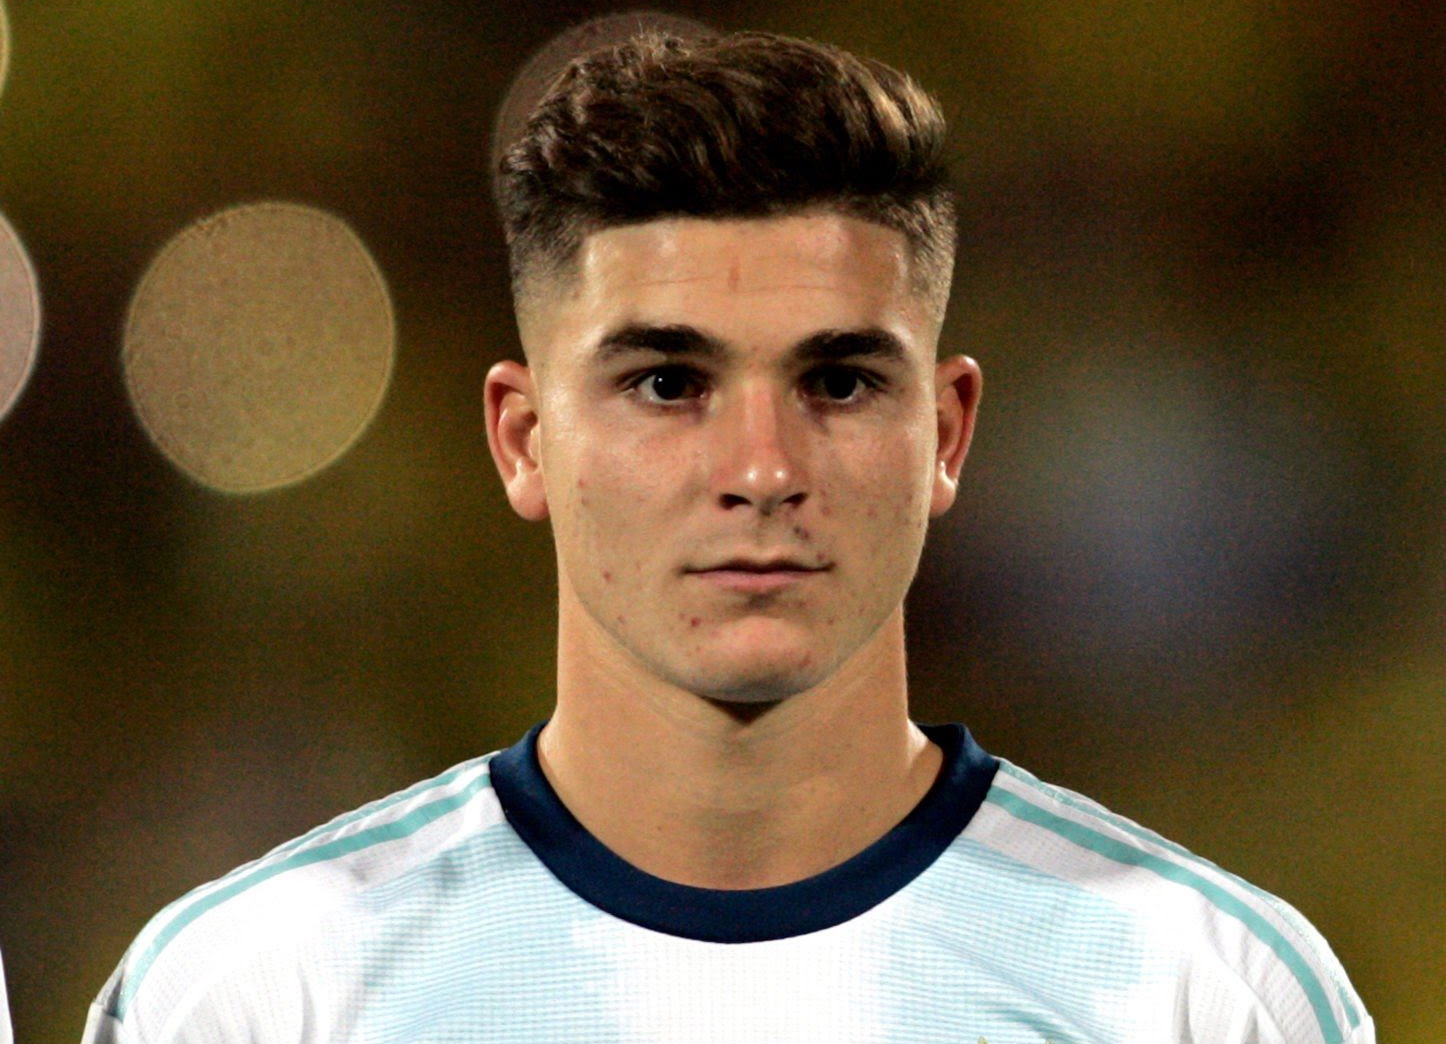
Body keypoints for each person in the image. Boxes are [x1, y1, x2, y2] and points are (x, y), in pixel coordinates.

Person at [83, 30, 1373, 1044]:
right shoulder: (255, 997)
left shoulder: (1211, 997)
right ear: (523, 439)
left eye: (839, 382)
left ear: (946, 434)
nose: (762, 471)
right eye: (667, 383)